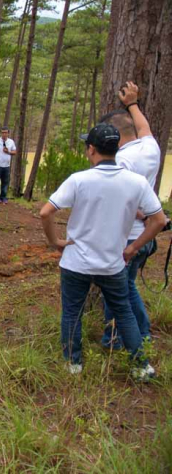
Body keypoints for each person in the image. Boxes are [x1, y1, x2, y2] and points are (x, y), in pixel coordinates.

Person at [40, 122, 166, 380]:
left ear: (91, 150)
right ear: (116, 149)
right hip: (113, 264)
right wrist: (133, 247)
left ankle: (73, 364)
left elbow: (46, 212)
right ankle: (141, 366)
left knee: (72, 313)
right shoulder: (136, 182)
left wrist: (55, 241)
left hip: (76, 263)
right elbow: (159, 220)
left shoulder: (79, 180)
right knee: (123, 312)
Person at [97, 81, 161, 350]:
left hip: (127, 238)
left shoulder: (121, 161)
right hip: (144, 238)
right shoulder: (150, 148)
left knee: (116, 293)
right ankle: (141, 333)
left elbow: (122, 198)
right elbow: (143, 127)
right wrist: (132, 103)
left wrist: (140, 212)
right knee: (128, 287)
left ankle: (117, 339)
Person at [0, 127, 17, 204]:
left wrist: (8, 151)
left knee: (5, 182)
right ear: (1, 133)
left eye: (5, 132)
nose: (4, 134)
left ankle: (3, 197)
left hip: (6, 166)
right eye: (2, 132)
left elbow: (14, 152)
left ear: (8, 133)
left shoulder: (11, 142)